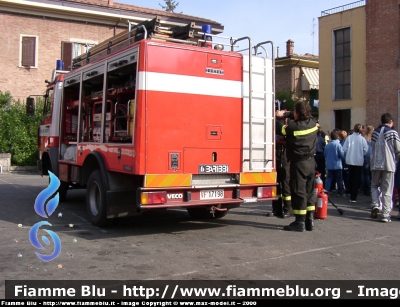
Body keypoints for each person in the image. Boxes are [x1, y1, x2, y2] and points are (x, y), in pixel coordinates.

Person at [276, 101, 318, 232]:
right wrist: (288, 113)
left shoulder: (293, 127)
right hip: (311, 162)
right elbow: (300, 116)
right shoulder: (313, 122)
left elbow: (280, 129)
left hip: (298, 163)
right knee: (309, 191)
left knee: (298, 191)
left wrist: (279, 116)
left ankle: (299, 222)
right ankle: (309, 220)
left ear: (297, 113)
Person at [369, 113, 400, 222]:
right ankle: (386, 215)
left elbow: (371, 148)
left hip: (375, 164)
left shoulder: (375, 133)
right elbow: (398, 149)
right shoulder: (393, 133)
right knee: (387, 189)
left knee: (374, 185)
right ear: (391, 122)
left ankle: (375, 204)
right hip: (389, 164)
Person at [342, 124, 368, 203]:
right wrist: (360, 154)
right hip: (359, 161)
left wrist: (350, 153)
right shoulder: (362, 139)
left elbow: (344, 148)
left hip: (350, 160)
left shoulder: (349, 138)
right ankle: (354, 197)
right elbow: (365, 150)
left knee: (350, 177)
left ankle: (350, 192)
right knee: (356, 179)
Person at [324, 130, 345, 196]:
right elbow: (341, 154)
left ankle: (327, 190)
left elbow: (325, 154)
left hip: (329, 164)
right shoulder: (338, 145)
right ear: (337, 137)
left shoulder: (327, 145)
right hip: (337, 164)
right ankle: (340, 192)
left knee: (329, 178)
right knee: (339, 179)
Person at [362, 125, 374, 196]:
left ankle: (366, 189)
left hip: (366, 157)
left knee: (365, 174)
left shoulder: (364, 138)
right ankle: (371, 188)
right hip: (372, 156)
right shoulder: (373, 138)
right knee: (371, 174)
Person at [338, 130, 350, 196]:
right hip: (347, 161)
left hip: (341, 161)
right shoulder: (347, 143)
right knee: (346, 177)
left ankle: (341, 189)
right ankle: (347, 189)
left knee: (341, 176)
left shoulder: (340, 144)